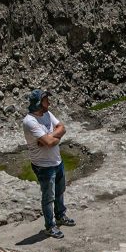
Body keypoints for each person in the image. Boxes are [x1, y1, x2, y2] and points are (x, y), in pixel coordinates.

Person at [23, 88, 76, 239]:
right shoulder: (29, 121)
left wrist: (50, 138)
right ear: (39, 103)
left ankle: (60, 216)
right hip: (43, 166)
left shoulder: (47, 113)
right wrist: (51, 139)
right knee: (48, 197)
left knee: (60, 191)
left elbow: (62, 128)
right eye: (46, 99)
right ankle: (49, 226)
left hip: (57, 161)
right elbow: (50, 142)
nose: (49, 102)